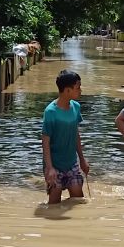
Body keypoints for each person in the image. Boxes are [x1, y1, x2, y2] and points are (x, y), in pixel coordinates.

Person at [42, 69, 90, 204]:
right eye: (78, 87)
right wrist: (49, 168)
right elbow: (45, 141)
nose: (80, 90)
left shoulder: (76, 107)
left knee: (78, 201)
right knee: (54, 205)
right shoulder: (51, 112)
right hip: (54, 163)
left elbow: (76, 134)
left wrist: (82, 159)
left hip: (71, 163)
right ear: (67, 90)